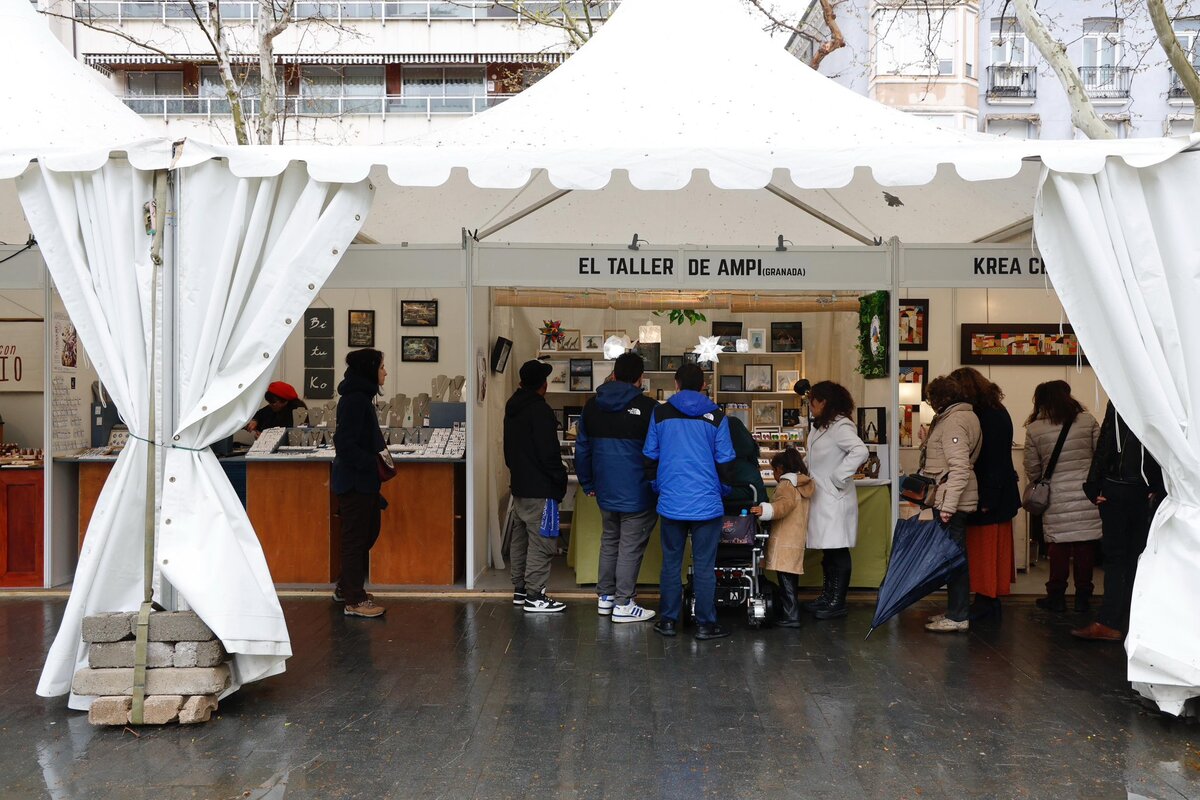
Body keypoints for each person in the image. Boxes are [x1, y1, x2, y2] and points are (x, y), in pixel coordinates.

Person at [643, 362, 736, 640]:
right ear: (704, 385)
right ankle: (706, 624)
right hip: (707, 503)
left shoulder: (659, 413)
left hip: (671, 502)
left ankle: (669, 621)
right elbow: (726, 461)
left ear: (676, 383)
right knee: (705, 565)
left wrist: (657, 485)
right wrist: (723, 489)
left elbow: (649, 456)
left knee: (671, 563)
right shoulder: (717, 416)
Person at [575, 352, 658, 623]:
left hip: (604, 489)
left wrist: (587, 482)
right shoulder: (649, 408)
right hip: (637, 490)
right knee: (630, 546)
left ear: (613, 373)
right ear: (640, 378)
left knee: (610, 540)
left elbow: (582, 448)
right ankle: (624, 603)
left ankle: (605, 598)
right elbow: (659, 452)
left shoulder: (591, 406)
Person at [1073, 402, 1166, 641]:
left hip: (1119, 488)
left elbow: (1107, 441)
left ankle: (1112, 621)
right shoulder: (1151, 395)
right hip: (1139, 489)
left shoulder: (1120, 396)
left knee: (1119, 559)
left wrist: (1094, 484)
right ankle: (1132, 621)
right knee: (1137, 558)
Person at [1023, 380, 1101, 613]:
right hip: (1086, 495)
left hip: (1056, 495)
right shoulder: (1087, 421)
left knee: (1058, 548)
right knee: (1084, 547)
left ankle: (1055, 597)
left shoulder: (1035, 429)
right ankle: (1083, 598)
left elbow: (1033, 468)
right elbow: (1100, 456)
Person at [949, 367, 1020, 622]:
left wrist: (987, 499)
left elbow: (989, 461)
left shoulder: (982, 415)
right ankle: (989, 599)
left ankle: (985, 600)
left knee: (983, 551)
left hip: (989, 493)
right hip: (1001, 492)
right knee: (995, 551)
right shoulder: (997, 410)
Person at [504, 360, 569, 614]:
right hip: (541, 488)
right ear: (543, 384)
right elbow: (549, 453)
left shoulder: (512, 409)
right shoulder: (540, 411)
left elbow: (508, 451)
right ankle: (535, 595)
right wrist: (559, 478)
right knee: (543, 542)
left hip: (519, 485)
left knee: (520, 542)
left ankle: (520, 590)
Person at [920, 375, 982, 633]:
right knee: (953, 556)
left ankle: (957, 616)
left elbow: (959, 468)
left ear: (940, 399)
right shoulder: (963, 416)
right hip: (951, 497)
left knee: (954, 558)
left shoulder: (953, 422)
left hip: (951, 500)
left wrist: (947, 506)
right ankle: (954, 612)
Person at [803, 381, 868, 620]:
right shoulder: (821, 427)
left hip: (834, 497)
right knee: (828, 551)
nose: (810, 406)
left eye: (813, 401)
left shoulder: (841, 426)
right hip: (821, 497)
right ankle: (827, 595)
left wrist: (837, 478)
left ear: (824, 402)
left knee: (838, 550)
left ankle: (836, 601)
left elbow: (860, 451)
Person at [332, 350, 388, 618]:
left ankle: (346, 588)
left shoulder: (361, 398)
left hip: (363, 482)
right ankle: (354, 600)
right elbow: (344, 444)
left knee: (367, 534)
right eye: (382, 367)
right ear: (370, 369)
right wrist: (371, 463)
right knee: (356, 539)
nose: (385, 372)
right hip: (355, 482)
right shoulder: (356, 401)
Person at [751, 448, 815, 628]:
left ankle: (791, 616)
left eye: (774, 471)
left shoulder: (786, 485)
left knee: (785, 580)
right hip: (795, 539)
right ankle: (791, 613)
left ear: (781, 468)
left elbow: (783, 505)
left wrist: (765, 509)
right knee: (790, 579)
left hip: (784, 539)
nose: (773, 475)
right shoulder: (801, 484)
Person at [722, 414, 769, 517]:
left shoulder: (715, 467)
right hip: (746, 524)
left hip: (717, 523)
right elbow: (763, 502)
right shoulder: (750, 470)